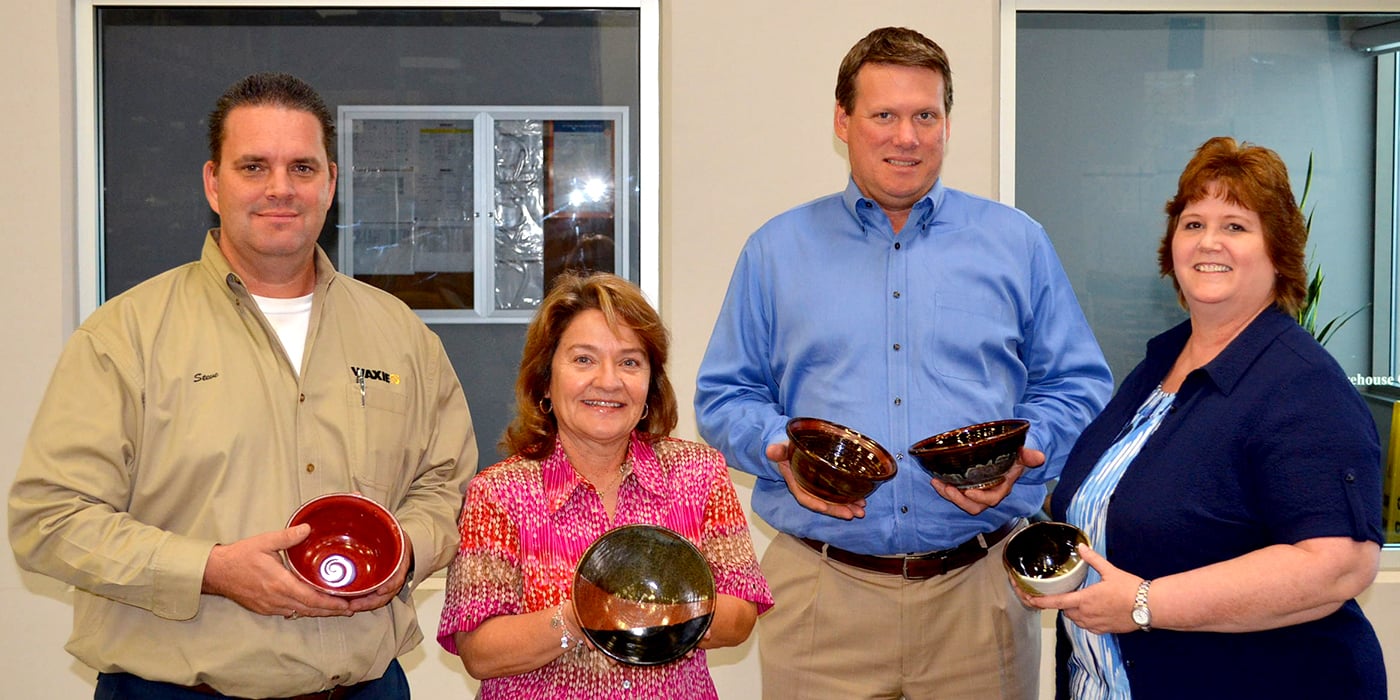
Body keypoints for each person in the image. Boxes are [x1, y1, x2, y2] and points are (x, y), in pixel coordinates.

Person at [8, 72, 478, 699]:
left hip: (365, 688)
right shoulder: (125, 336)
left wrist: (404, 555)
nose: (280, 189)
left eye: (302, 168)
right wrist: (209, 570)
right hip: (171, 691)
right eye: (253, 166)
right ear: (213, 182)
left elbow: (448, 486)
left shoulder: (400, 336)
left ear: (331, 183)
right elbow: (50, 518)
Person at [694, 26, 1113, 699]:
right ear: (843, 120)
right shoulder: (776, 251)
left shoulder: (1016, 244)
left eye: (926, 115)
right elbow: (725, 396)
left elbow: (1080, 386)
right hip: (821, 595)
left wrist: (1026, 451)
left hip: (977, 594)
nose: (907, 137)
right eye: (884, 115)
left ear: (947, 121)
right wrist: (783, 450)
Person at [1023, 136, 1386, 699]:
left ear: (1278, 251)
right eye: (1193, 224)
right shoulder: (1160, 368)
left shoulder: (1302, 385)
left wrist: (1145, 604)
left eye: (1236, 226)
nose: (1208, 242)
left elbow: (1337, 565)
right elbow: (1127, 502)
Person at [438, 271, 772, 699]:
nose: (609, 381)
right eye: (583, 359)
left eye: (630, 362)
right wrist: (579, 618)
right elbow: (479, 652)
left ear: (651, 384)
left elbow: (741, 615)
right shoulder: (499, 492)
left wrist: (660, 610)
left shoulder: (698, 473)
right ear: (545, 379)